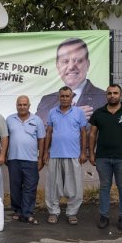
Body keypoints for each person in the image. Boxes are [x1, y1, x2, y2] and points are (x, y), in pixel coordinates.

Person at [89, 84, 122, 231]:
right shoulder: (98, 113)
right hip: (102, 158)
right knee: (104, 187)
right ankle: (104, 216)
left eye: (115, 93)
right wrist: (92, 153)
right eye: (109, 93)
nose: (112, 95)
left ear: (121, 95)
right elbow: (92, 134)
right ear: (106, 95)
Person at [43, 86, 87, 225]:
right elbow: (49, 132)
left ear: (71, 97)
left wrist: (83, 152)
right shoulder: (52, 112)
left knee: (74, 187)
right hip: (55, 155)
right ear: (58, 97)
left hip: (73, 155)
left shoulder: (78, 113)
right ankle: (53, 212)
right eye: (62, 96)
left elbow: (84, 132)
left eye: (67, 96)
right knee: (53, 187)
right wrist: (45, 152)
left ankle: (72, 213)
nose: (64, 98)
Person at [36, 38, 106, 123]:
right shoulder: (46, 101)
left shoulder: (104, 99)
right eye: (65, 61)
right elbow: (39, 130)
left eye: (78, 61)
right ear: (58, 66)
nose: (71, 67)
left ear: (88, 64)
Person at [6, 95, 45, 225]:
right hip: (13, 159)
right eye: (19, 104)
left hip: (31, 160)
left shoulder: (37, 120)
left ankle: (27, 213)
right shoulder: (9, 119)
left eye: (24, 104)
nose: (22, 107)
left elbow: (41, 139)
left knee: (30, 187)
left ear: (29, 106)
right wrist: (5, 155)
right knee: (15, 187)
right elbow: (5, 139)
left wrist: (40, 158)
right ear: (16, 105)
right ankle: (17, 211)